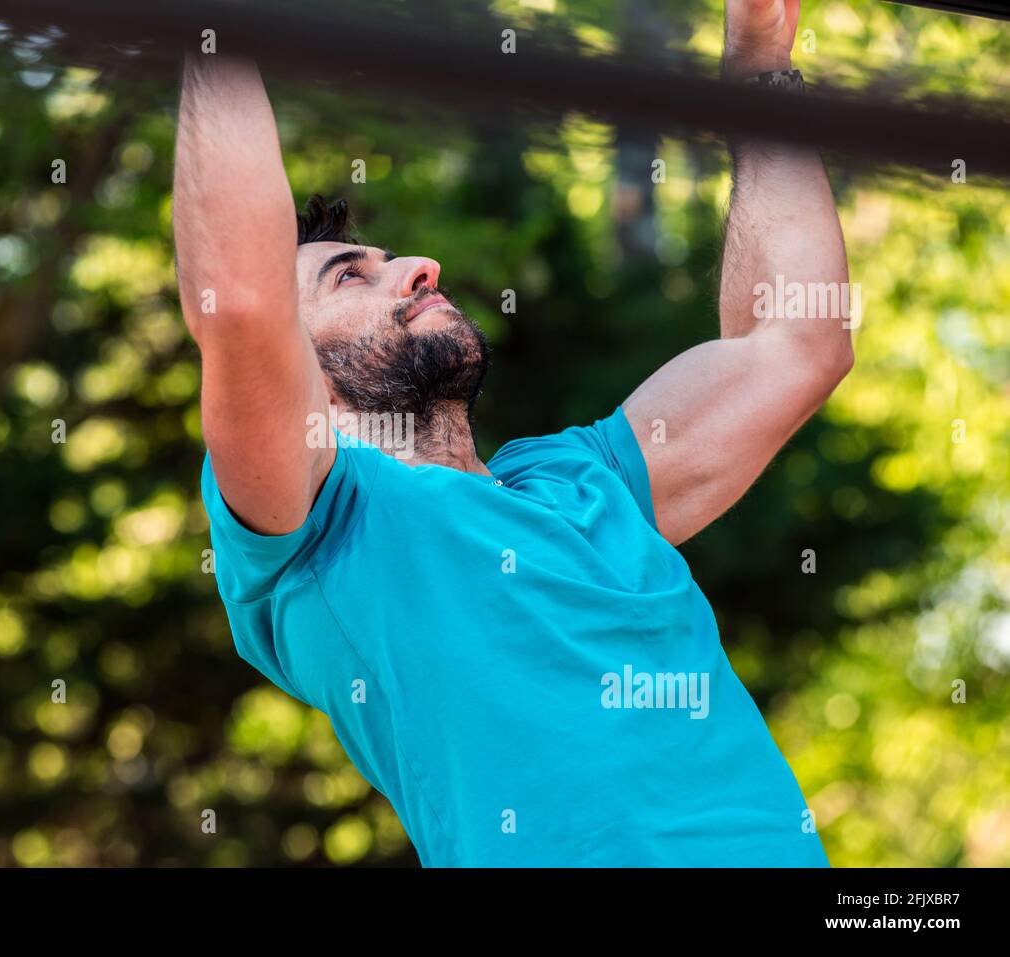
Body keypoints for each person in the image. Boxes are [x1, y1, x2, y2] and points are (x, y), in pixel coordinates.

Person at [172, 0, 851, 866]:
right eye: (350, 276)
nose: (420, 266)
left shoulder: (587, 480)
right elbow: (242, 300)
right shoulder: (319, 526)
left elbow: (798, 339)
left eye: (391, 259)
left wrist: (759, 65)